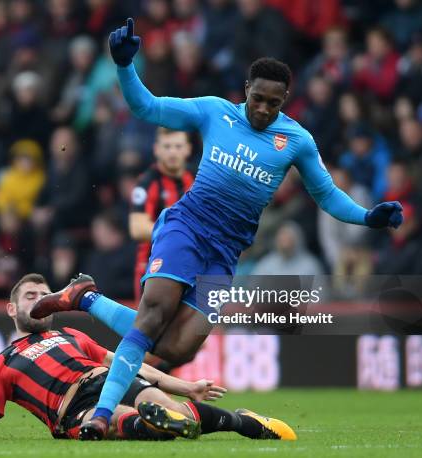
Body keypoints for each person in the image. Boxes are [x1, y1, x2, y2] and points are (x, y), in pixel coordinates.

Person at [32, 18, 403, 440]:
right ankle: (100, 414)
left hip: (225, 254)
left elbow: (328, 194)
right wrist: (124, 66)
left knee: (176, 348)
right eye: (258, 99)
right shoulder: (215, 112)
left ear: (286, 100)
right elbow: (147, 107)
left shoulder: (297, 140)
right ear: (246, 89)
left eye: (273, 104)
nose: (263, 110)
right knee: (153, 316)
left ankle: (86, 297)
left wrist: (368, 216)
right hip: (187, 228)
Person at [0, 274, 295, 441]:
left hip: (114, 382)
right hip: (75, 409)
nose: (40, 301)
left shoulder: (72, 334)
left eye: (45, 295)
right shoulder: (2, 363)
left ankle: (243, 422)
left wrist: (187, 385)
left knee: (176, 412)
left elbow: (129, 362)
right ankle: (160, 423)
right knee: (120, 424)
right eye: (30, 297)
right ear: (11, 310)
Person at [130, 127, 194, 301]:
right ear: (156, 149)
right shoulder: (147, 182)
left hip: (191, 263)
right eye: (167, 147)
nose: (173, 152)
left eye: (178, 146)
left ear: (188, 149)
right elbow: (137, 229)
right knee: (150, 325)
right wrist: (183, 233)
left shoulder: (197, 178)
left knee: (200, 323)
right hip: (153, 266)